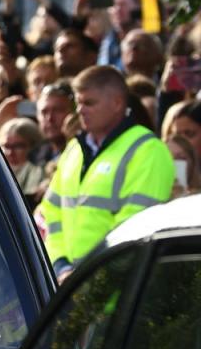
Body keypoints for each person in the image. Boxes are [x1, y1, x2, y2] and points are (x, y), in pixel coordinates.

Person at [39, 66, 174, 282]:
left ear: (117, 103)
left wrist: (87, 278)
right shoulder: (74, 149)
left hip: (120, 288)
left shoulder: (148, 150)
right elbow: (51, 213)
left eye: (89, 103)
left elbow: (137, 228)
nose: (80, 110)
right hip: (71, 285)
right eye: (78, 103)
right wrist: (61, 266)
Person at [0, 118, 46, 209]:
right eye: (6, 146)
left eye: (18, 146)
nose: (10, 153)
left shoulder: (41, 173)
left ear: (34, 148)